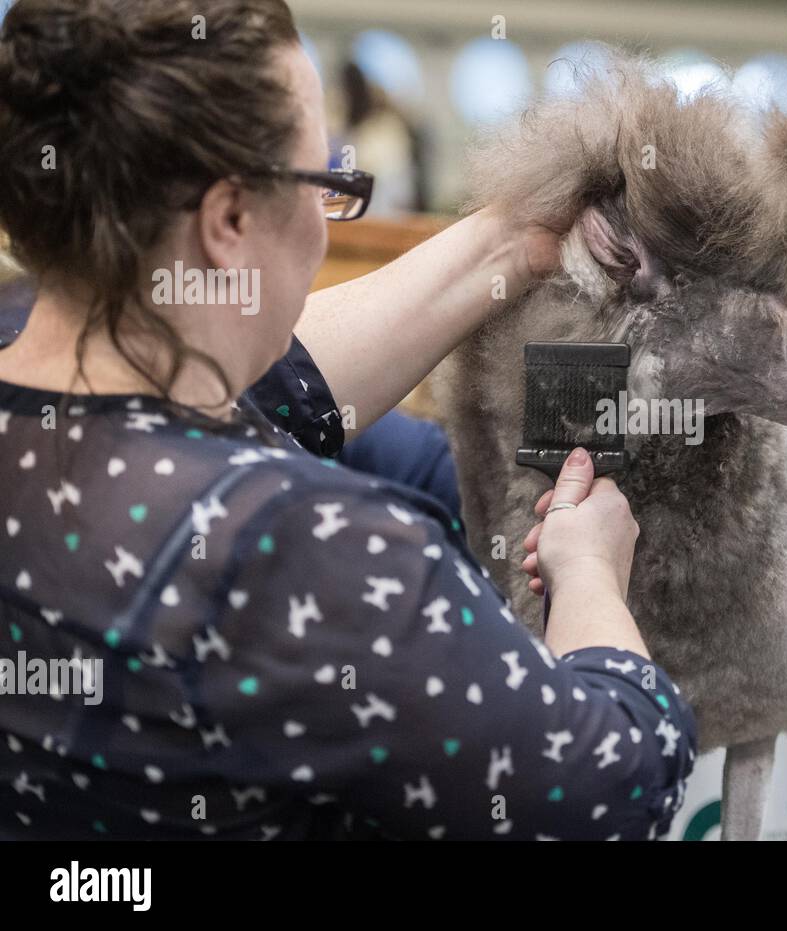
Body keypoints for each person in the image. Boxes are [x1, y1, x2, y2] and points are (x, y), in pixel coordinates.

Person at [0, 0, 695, 840]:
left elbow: (273, 391)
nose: (326, 224)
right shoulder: (308, 550)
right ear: (227, 221)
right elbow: (608, 787)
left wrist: (514, 242)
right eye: (325, 185)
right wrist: (588, 573)